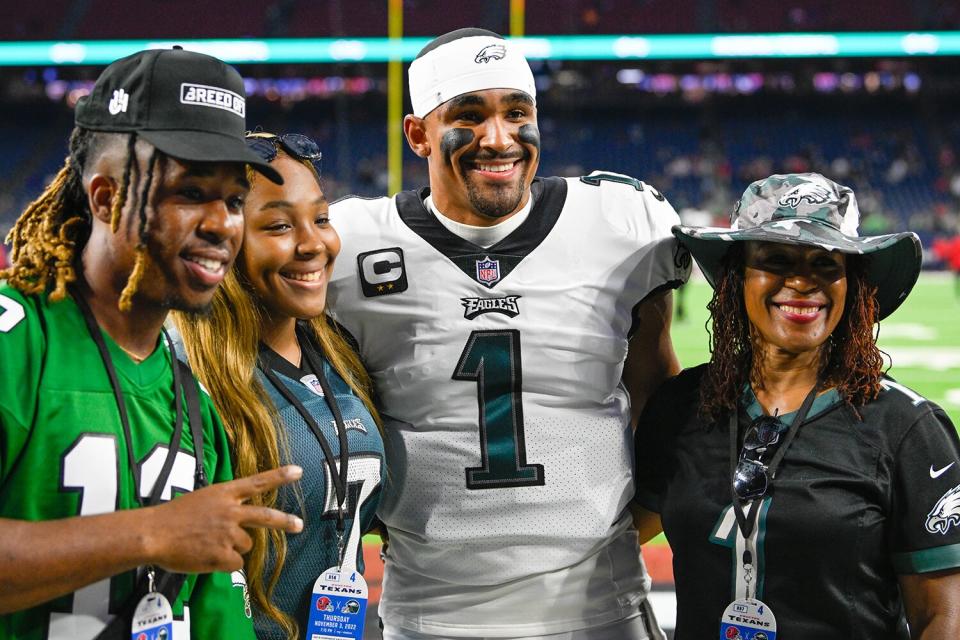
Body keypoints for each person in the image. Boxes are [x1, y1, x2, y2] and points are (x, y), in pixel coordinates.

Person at [326, 28, 689, 639]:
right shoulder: (349, 245)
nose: (499, 138)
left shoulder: (625, 223)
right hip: (428, 613)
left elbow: (662, 398)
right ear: (418, 134)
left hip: (601, 609)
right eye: (468, 116)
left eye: (516, 113)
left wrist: (615, 528)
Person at [0, 48, 306, 640]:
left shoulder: (191, 399)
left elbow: (214, 613)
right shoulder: (17, 343)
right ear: (106, 199)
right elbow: (168, 533)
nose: (223, 225)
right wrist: (152, 532)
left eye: (234, 200)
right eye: (191, 193)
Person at [633, 173, 960, 637]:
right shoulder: (683, 405)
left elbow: (942, 616)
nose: (802, 282)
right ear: (735, 276)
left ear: (853, 284)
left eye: (826, 264)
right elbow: (619, 533)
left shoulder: (908, 428)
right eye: (776, 260)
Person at [172, 132, 385, 640]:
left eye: (322, 218)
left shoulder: (339, 353)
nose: (313, 243)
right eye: (280, 225)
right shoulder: (185, 376)